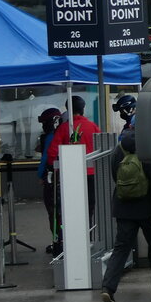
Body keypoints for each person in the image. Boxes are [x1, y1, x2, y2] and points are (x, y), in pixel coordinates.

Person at [101, 125, 151, 302]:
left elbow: (115, 176)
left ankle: (108, 288)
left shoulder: (119, 149)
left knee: (121, 248)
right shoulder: (149, 150)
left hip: (124, 207)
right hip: (148, 209)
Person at [45, 96, 100, 254]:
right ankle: (88, 239)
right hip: (91, 174)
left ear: (68, 109)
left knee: (70, 210)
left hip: (70, 175)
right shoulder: (93, 126)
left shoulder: (64, 129)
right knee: (89, 208)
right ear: (83, 108)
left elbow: (52, 153)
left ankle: (72, 241)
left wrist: (53, 168)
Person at [35, 107, 62, 252]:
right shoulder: (65, 132)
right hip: (64, 177)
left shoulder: (51, 137)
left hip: (52, 178)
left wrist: (40, 175)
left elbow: (46, 157)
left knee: (53, 211)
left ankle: (57, 241)